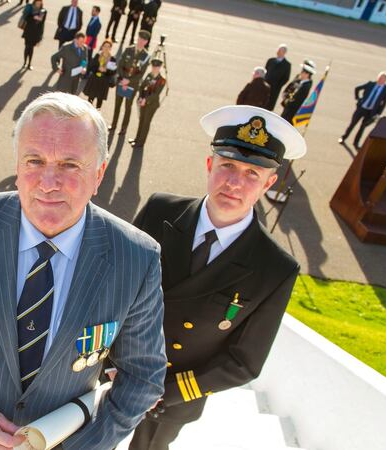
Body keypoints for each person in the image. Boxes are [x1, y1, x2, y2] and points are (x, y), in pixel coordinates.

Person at [0, 91, 166, 450]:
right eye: (34, 161)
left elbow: (143, 377)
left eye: (70, 165)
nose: (48, 182)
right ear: (17, 166)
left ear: (99, 174)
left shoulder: (136, 257)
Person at [129, 105, 304, 450]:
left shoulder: (275, 268)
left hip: (173, 396)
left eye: (252, 173)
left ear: (269, 183)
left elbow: (245, 362)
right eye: (228, 166)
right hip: (116, 367)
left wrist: (166, 391)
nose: (235, 183)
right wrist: (108, 357)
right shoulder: (159, 211)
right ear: (210, 164)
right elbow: (112, 289)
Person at [110, 29, 150, 135]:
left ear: (146, 42)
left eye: (143, 40)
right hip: (121, 81)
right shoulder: (129, 49)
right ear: (138, 38)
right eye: (140, 39)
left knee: (128, 107)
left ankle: (124, 128)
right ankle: (113, 124)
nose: (141, 41)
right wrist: (122, 79)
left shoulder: (146, 56)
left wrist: (128, 81)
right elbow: (120, 64)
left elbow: (141, 74)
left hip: (132, 85)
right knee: (117, 105)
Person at [339, 71, 386, 149]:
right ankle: (343, 138)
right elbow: (357, 88)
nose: (380, 79)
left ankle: (356, 143)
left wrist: (378, 114)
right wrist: (358, 99)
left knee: (362, 128)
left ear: (385, 80)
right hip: (362, 108)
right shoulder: (370, 84)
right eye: (379, 77)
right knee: (352, 124)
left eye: (382, 78)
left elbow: (384, 103)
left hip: (371, 112)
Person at [128, 56, 165, 148]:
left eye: (156, 67)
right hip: (143, 102)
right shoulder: (149, 75)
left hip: (151, 104)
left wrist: (145, 100)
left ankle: (140, 143)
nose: (154, 69)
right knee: (141, 120)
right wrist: (141, 97)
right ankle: (137, 139)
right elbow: (141, 87)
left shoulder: (162, 80)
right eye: (153, 66)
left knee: (146, 123)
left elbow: (156, 94)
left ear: (160, 68)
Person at [83, 38, 116, 109]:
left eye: (108, 46)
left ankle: (97, 113)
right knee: (90, 99)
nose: (106, 48)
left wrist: (106, 70)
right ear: (102, 47)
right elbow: (91, 67)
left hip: (104, 81)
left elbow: (113, 72)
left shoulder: (112, 59)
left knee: (99, 101)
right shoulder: (97, 55)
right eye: (105, 46)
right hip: (95, 79)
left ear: (110, 48)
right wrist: (98, 68)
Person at [280, 59, 314, 124]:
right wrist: (285, 95)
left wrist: (288, 101)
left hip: (292, 110)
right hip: (287, 107)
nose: (301, 73)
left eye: (303, 72)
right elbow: (291, 86)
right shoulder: (299, 80)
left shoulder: (306, 86)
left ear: (307, 74)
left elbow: (298, 99)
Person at [264, 44, 290, 111]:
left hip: (274, 89)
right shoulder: (270, 60)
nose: (278, 52)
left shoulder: (287, 65)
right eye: (278, 50)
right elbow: (265, 71)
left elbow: (286, 78)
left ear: (284, 52)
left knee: (269, 105)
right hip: (265, 86)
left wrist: (277, 86)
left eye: (280, 51)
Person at [20, 0, 46, 70]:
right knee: (27, 47)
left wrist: (41, 35)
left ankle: (29, 63)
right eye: (37, 2)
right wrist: (33, 17)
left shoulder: (43, 11)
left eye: (40, 2)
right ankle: (25, 63)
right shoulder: (30, 8)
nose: (38, 3)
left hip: (36, 33)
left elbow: (42, 24)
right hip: (28, 31)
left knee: (31, 48)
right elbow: (26, 18)